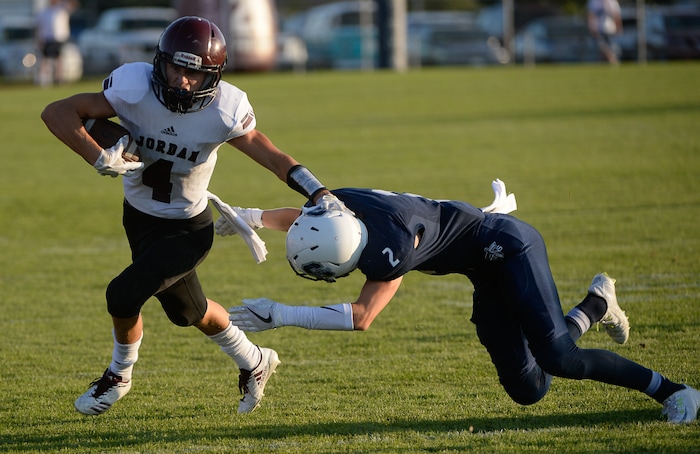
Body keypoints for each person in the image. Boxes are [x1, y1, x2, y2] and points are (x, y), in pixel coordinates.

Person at [41, 16, 338, 415]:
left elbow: (271, 155)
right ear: (159, 62)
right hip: (139, 218)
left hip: (187, 229)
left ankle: (118, 376)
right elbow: (56, 112)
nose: (182, 80)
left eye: (194, 73)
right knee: (190, 313)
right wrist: (96, 155)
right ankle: (256, 360)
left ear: (212, 76)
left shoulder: (225, 110)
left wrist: (318, 191)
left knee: (123, 294)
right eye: (175, 67)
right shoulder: (131, 87)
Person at [225, 187, 700, 424]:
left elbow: (362, 316)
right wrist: (253, 218)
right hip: (479, 264)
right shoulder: (339, 207)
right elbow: (306, 215)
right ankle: (595, 306)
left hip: (508, 248)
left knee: (559, 358)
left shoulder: (393, 249)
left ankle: (673, 390)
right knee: (529, 389)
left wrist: (284, 314)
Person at [35, 0, 77, 85]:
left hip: (59, 38)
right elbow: (38, 27)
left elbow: (73, 5)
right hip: (47, 39)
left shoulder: (62, 10)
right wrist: (39, 39)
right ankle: (44, 79)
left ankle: (59, 78)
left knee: (59, 59)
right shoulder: (44, 12)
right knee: (45, 59)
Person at [587, 0, 623, 64]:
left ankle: (611, 61)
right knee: (601, 47)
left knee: (611, 47)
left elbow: (616, 15)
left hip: (610, 28)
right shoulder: (594, 2)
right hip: (598, 29)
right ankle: (612, 59)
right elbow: (591, 15)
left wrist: (619, 27)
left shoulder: (612, 2)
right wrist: (592, 27)